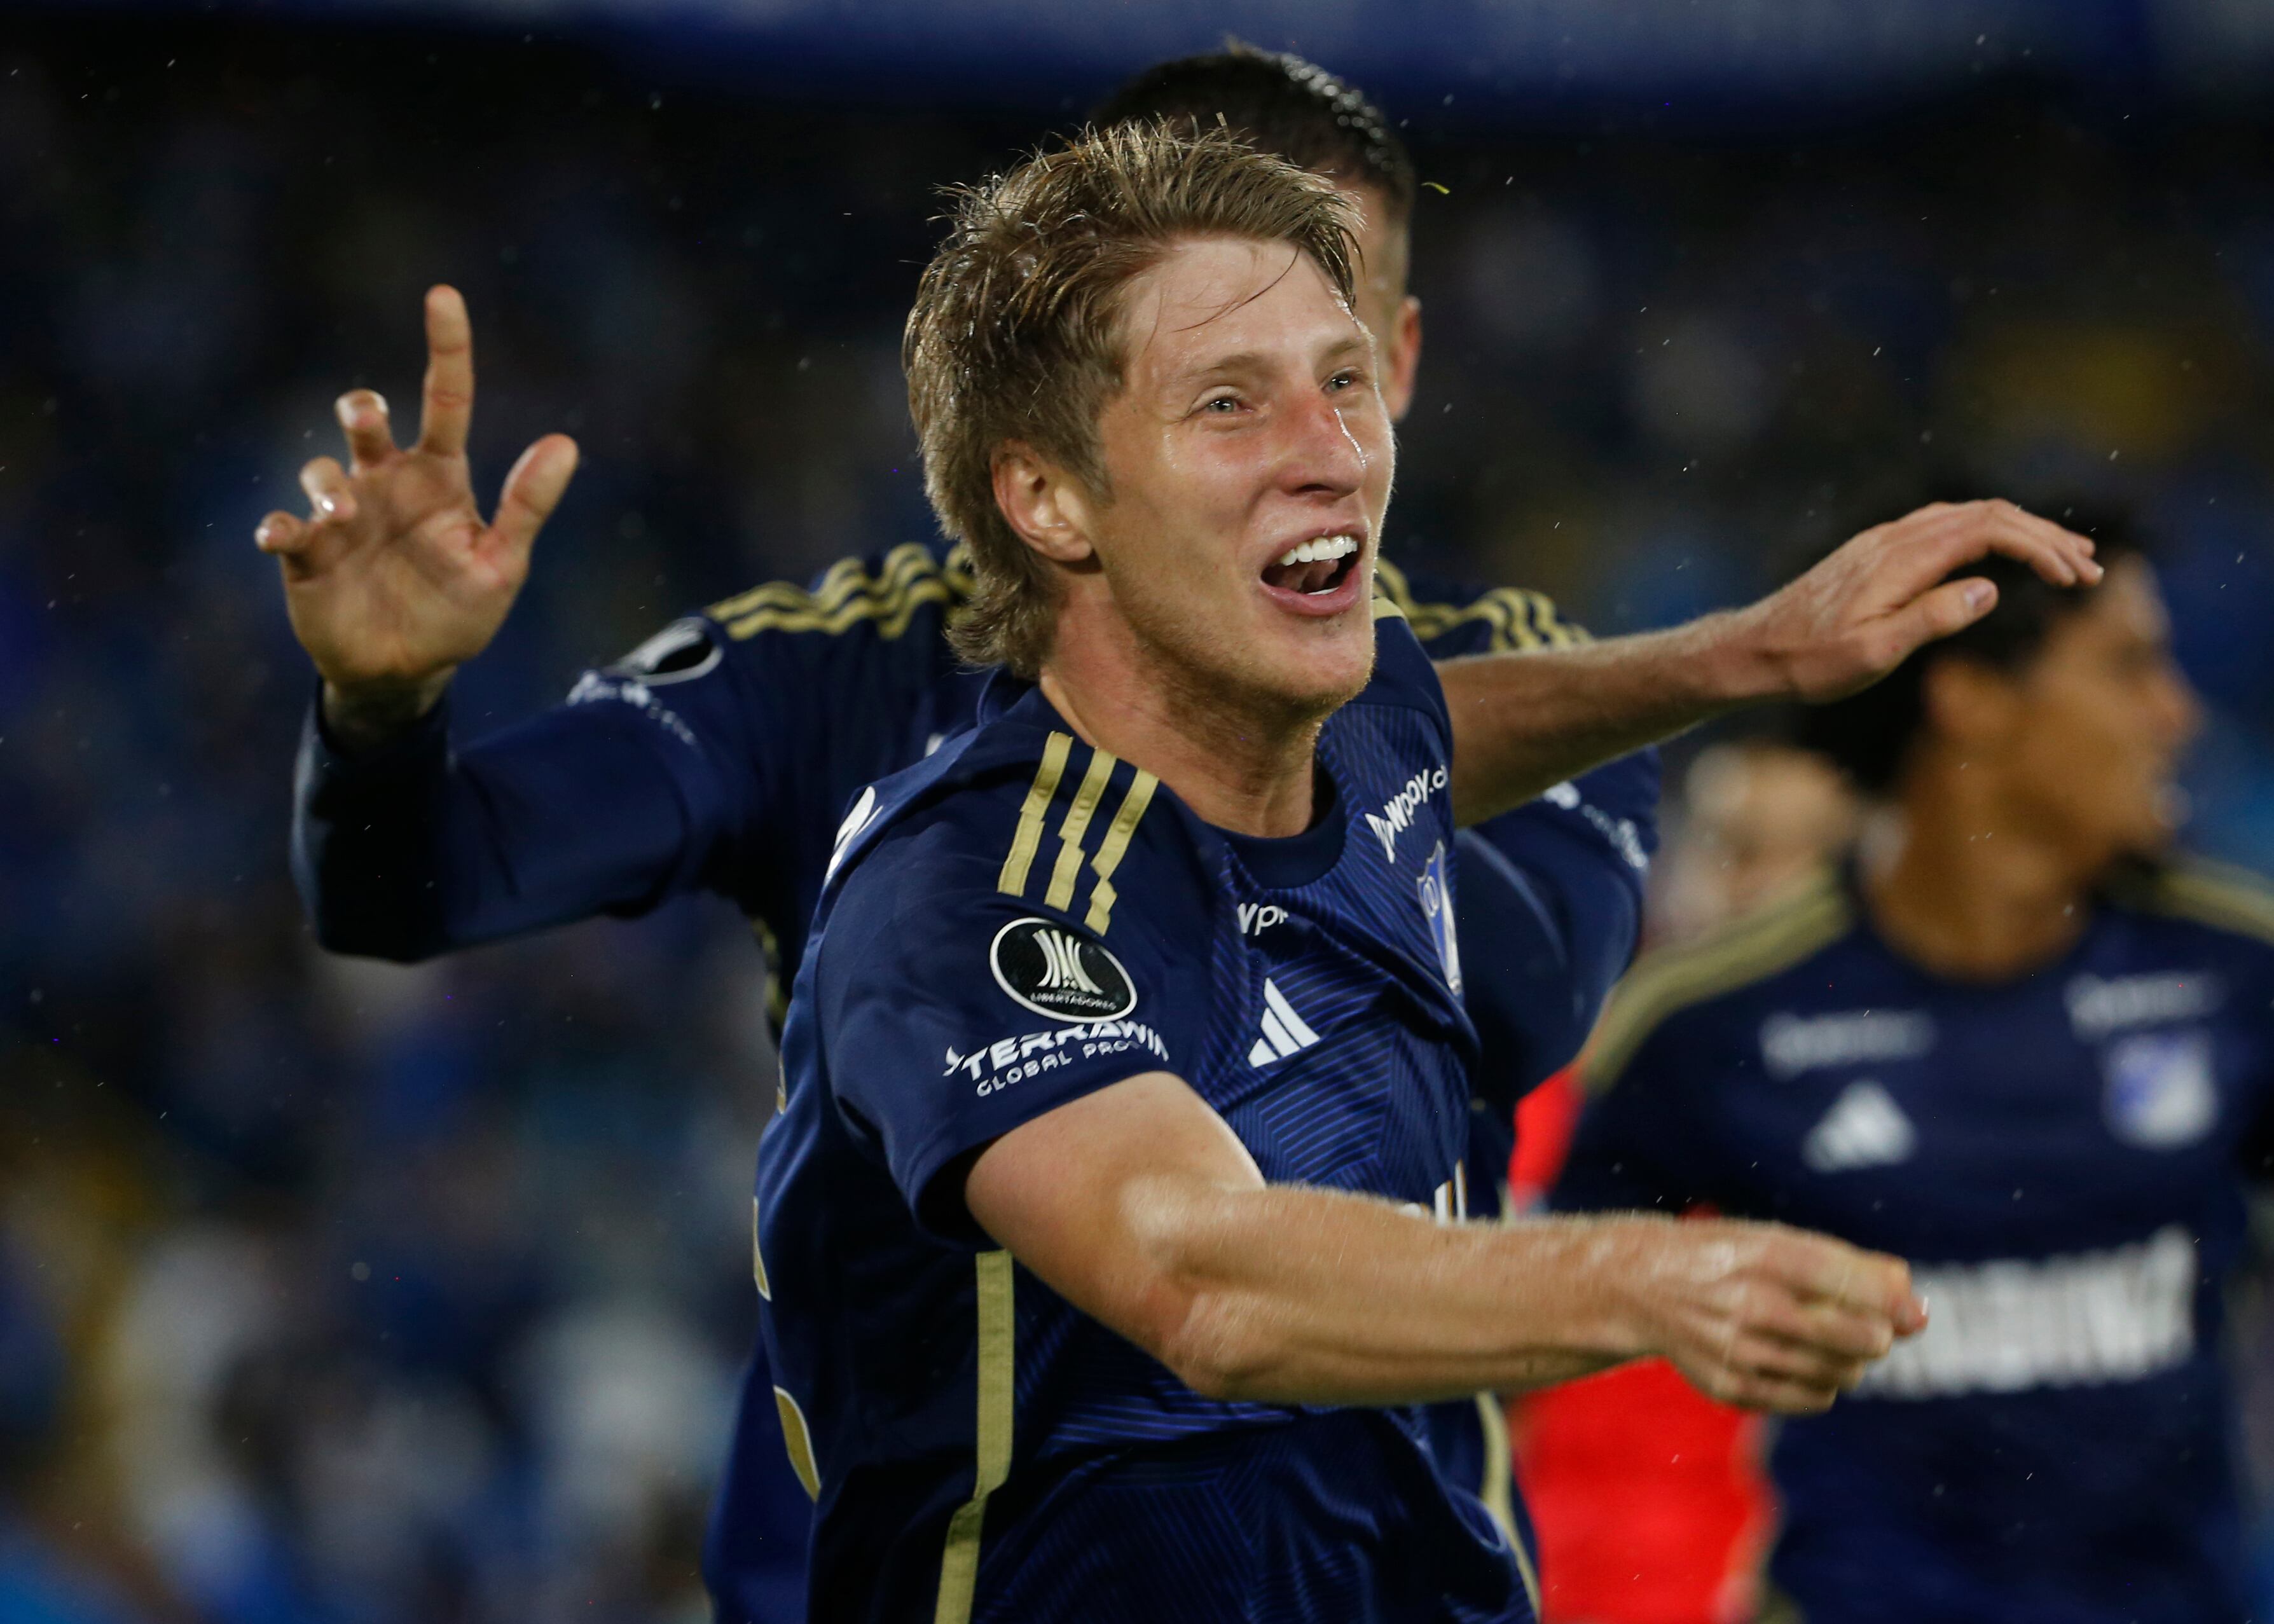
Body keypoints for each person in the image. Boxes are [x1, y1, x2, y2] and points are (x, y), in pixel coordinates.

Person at [255, 63, 2096, 1621]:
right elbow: (1201, 1276)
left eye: (1342, 370)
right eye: (1227, 395)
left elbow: (1439, 762)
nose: (1327, 444)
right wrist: (1655, 1278)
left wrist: (1747, 655)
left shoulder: (1382, 699)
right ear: (1048, 487)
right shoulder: (946, 859)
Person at [1554, 522, 2273, 1622]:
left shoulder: (2236, 972)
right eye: (2129, 667)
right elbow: (1511, 1329)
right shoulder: (1713, 1020)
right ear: (1971, 697)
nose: (2177, 712)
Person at [1507, 740, 1857, 1624]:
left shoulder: (1912, 1146)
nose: (1754, 887)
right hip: (1560, 1586)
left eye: (1807, 854)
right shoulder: (1539, 1105)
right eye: (1729, 847)